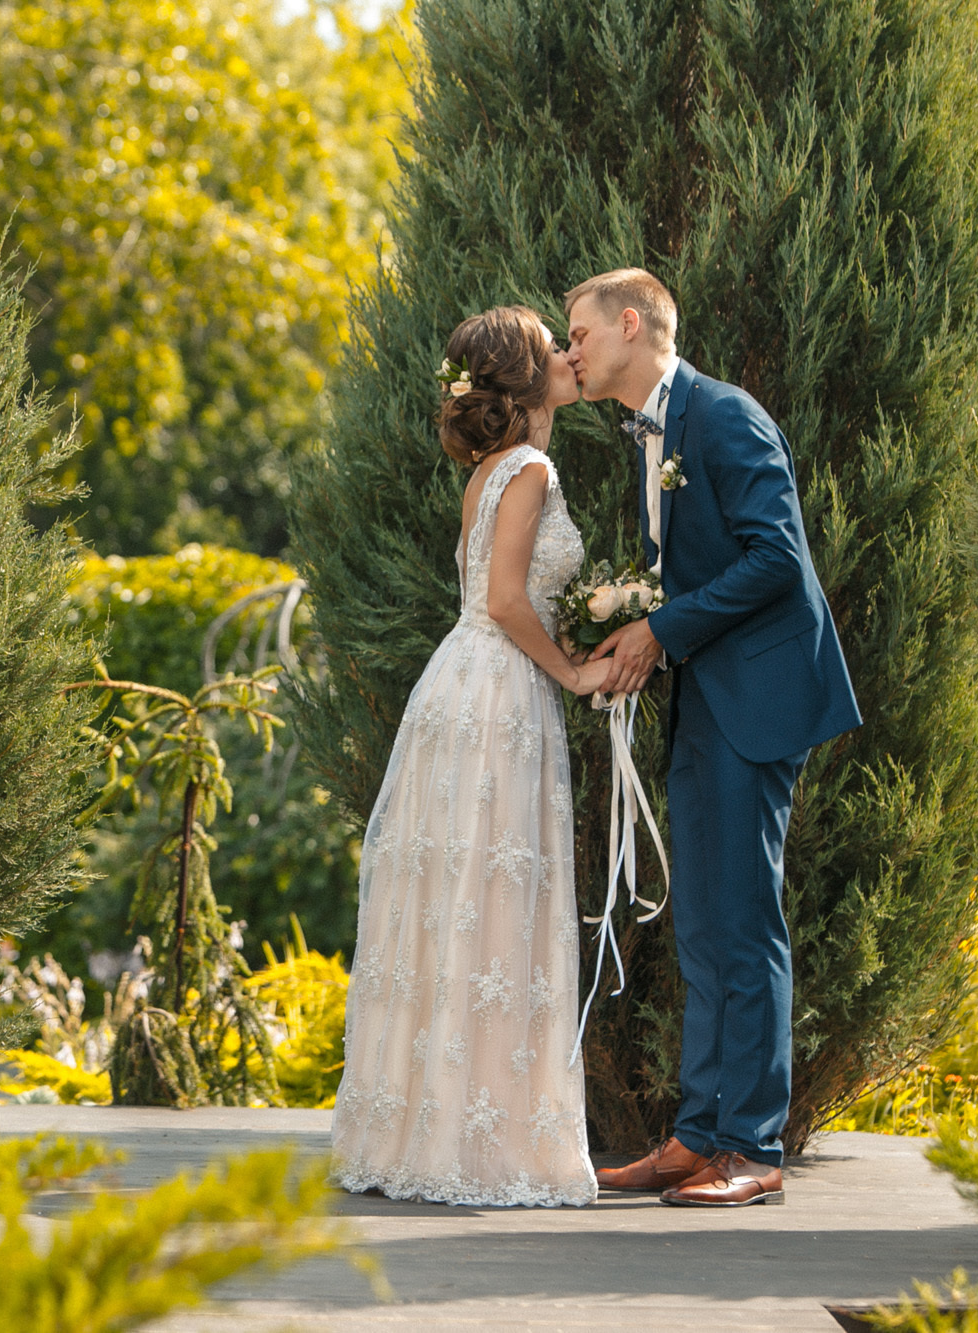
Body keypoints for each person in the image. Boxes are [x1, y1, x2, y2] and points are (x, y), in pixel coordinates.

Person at [566, 268, 861, 1207]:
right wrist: (641, 627)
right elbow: (691, 570)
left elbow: (780, 557)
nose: (571, 351)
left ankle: (754, 1146)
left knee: (745, 923)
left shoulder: (725, 416)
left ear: (629, 322)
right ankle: (698, 1136)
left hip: (759, 699)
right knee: (700, 923)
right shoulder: (648, 431)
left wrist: (662, 628)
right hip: (704, 701)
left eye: (579, 333)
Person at [331, 306, 611, 1207]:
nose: (572, 357)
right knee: (493, 901)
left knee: (466, 904)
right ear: (527, 384)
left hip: (464, 686)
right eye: (553, 349)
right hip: (501, 694)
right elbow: (502, 598)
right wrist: (573, 671)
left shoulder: (493, 470)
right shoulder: (528, 466)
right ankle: (482, 1142)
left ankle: (436, 1127)